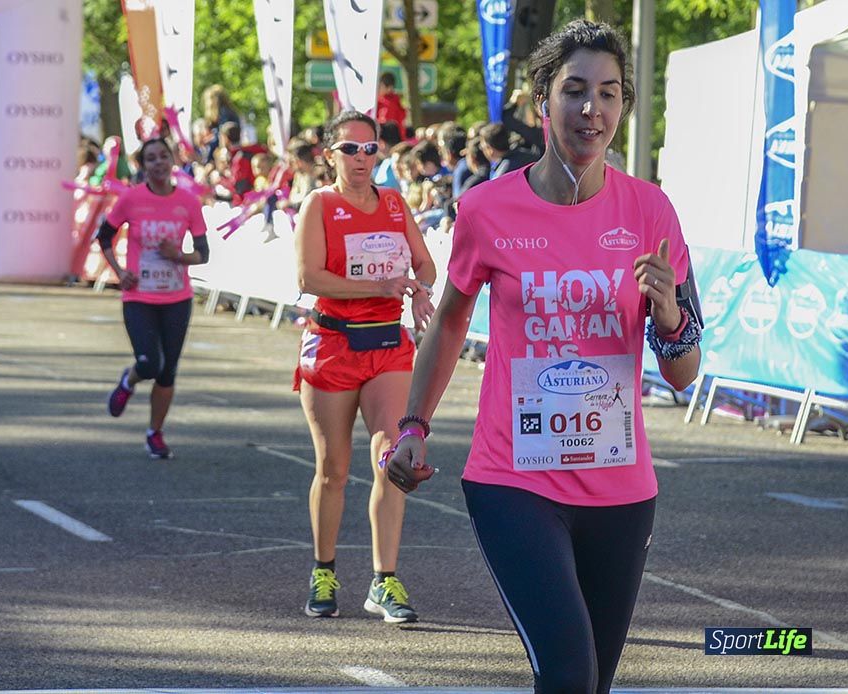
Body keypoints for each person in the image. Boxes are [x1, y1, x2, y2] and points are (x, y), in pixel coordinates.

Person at [385, 20, 703, 693]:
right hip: (514, 480)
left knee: (593, 682)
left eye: (610, 94)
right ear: (543, 102)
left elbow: (683, 370)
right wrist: (413, 427)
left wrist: (669, 313)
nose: (593, 109)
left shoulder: (652, 212)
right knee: (567, 672)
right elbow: (449, 321)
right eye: (576, 91)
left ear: (623, 107)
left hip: (622, 488)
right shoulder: (485, 210)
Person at [293, 110, 436, 623]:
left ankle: (384, 581)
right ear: (329, 154)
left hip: (387, 345)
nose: (361, 159)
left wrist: (418, 288)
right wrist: (379, 286)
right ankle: (324, 570)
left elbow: (425, 263)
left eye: (369, 149)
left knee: (391, 454)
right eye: (349, 149)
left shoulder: (395, 204)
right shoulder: (320, 204)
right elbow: (309, 277)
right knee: (334, 470)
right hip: (333, 346)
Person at [98, 137, 210, 459]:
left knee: (167, 372)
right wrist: (120, 272)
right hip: (140, 296)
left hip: (177, 297)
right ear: (143, 165)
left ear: (173, 159)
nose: (158, 163)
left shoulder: (188, 202)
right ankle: (128, 381)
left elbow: (202, 254)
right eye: (151, 159)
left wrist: (179, 256)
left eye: (163, 156)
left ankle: (154, 433)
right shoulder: (131, 199)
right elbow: (105, 236)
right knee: (149, 362)